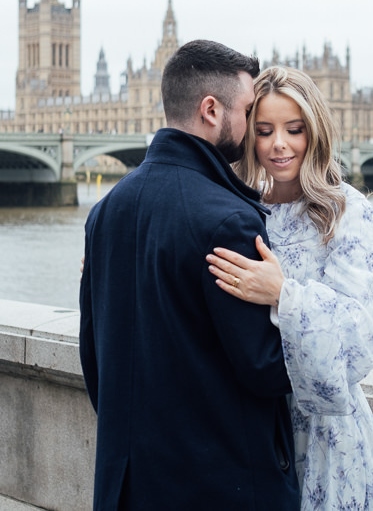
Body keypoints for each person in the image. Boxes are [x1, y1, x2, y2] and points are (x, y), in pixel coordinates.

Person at [78, 40, 299, 510]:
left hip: (127, 490)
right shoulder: (229, 220)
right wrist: (293, 300)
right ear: (211, 110)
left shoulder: (105, 213)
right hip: (221, 489)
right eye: (246, 111)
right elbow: (265, 369)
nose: (250, 128)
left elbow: (96, 364)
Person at [206, 66, 373, 510]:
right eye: (265, 130)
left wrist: (284, 294)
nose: (278, 145)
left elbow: (366, 337)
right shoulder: (241, 211)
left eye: (294, 129)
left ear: (316, 131)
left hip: (327, 433)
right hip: (253, 430)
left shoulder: (346, 211)